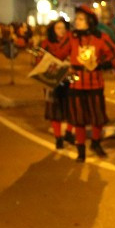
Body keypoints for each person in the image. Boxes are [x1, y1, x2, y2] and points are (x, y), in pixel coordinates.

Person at [48, 6, 115, 162]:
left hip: (95, 83)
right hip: (76, 84)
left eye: (80, 19)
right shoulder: (71, 37)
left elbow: (114, 54)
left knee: (98, 118)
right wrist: (47, 53)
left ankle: (95, 142)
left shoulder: (101, 37)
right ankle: (81, 149)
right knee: (78, 119)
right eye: (77, 18)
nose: (77, 21)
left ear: (90, 21)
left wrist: (103, 65)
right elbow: (59, 53)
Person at [39, 18, 72, 149]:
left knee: (73, 109)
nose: (61, 31)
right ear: (53, 30)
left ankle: (69, 132)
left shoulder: (71, 42)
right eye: (58, 28)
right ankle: (58, 137)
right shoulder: (46, 43)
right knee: (55, 110)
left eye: (64, 28)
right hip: (53, 80)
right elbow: (40, 59)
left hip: (68, 79)